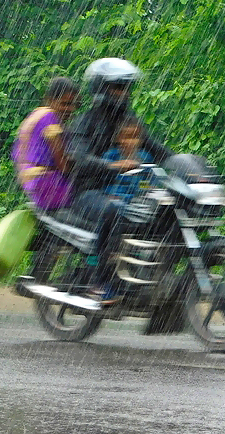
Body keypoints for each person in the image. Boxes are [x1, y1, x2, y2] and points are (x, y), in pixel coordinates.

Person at [64, 58, 172, 302]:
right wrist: (112, 166)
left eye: (125, 87)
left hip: (124, 191)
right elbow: (78, 156)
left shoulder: (128, 120)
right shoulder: (85, 122)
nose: (123, 93)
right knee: (111, 211)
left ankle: (151, 277)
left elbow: (155, 148)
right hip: (87, 192)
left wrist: (186, 166)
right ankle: (97, 280)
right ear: (101, 88)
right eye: (117, 87)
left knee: (166, 210)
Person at [11, 76, 80, 211]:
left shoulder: (37, 114)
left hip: (34, 184)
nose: (70, 109)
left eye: (73, 104)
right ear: (50, 100)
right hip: (47, 184)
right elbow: (62, 164)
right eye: (64, 104)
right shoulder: (50, 118)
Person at [103, 116, 154, 205]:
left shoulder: (145, 157)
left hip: (137, 200)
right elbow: (104, 181)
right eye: (126, 137)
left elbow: (146, 181)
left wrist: (146, 189)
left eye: (135, 137)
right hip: (115, 199)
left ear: (141, 139)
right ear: (118, 138)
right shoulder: (111, 156)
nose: (131, 141)